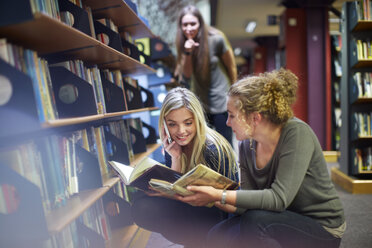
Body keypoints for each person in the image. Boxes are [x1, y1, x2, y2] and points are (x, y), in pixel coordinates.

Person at [177, 68, 346, 248]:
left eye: (232, 116)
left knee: (254, 222)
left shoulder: (296, 133)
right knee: (216, 235)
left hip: (321, 227)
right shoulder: (246, 144)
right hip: (278, 218)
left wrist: (221, 194)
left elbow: (279, 199)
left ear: (254, 118)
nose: (227, 122)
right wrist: (210, 197)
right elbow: (246, 204)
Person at [130, 87, 239, 247]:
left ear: (198, 120)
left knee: (147, 207)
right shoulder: (173, 144)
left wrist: (170, 195)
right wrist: (176, 157)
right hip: (192, 206)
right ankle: (194, 240)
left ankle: (201, 241)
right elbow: (178, 188)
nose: (181, 131)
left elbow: (229, 202)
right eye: (172, 124)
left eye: (188, 123)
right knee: (140, 203)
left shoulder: (211, 148)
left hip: (219, 214)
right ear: (164, 124)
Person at [174, 5, 237, 144]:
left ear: (200, 24)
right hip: (201, 104)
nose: (189, 28)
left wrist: (235, 96)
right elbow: (186, 76)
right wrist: (188, 53)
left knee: (224, 144)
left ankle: (228, 167)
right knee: (205, 145)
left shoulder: (216, 39)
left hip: (221, 101)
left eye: (193, 24)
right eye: (185, 25)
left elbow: (231, 66)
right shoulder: (182, 43)